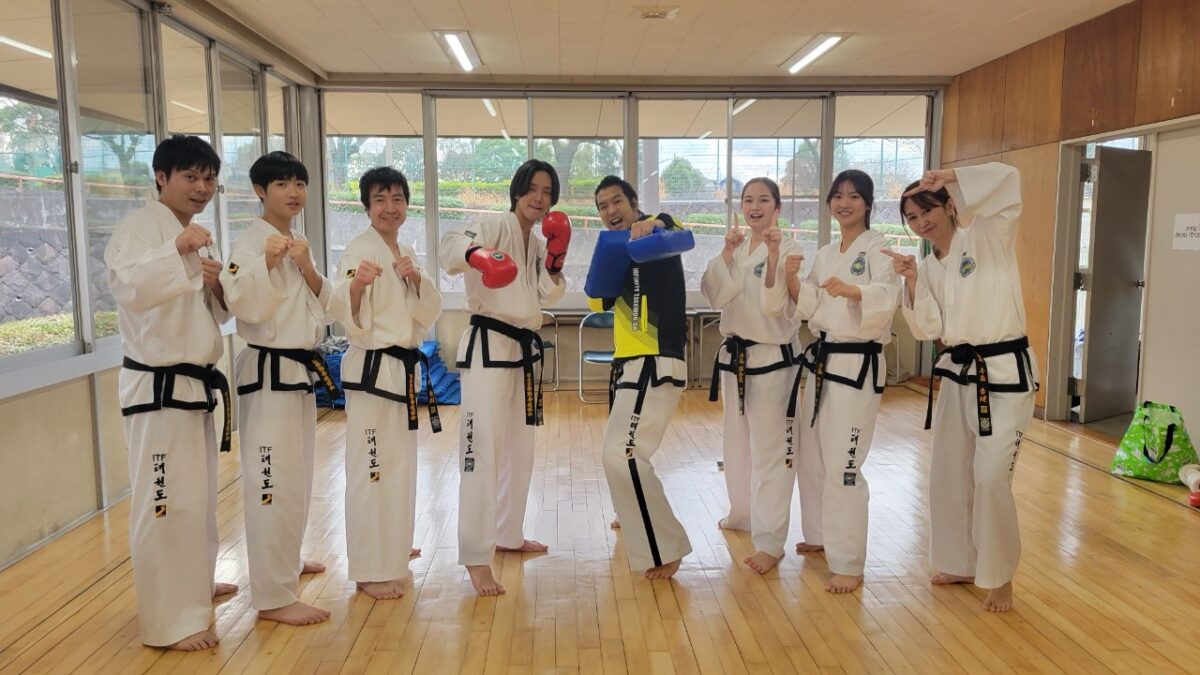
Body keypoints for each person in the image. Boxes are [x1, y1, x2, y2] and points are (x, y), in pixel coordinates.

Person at [105, 134, 237, 650]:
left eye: (209, 179)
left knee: (196, 500)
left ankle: (193, 585)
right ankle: (167, 621)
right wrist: (176, 251)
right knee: (163, 503)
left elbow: (213, 313)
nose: (201, 187)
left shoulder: (197, 235)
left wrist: (215, 284)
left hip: (193, 385)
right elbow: (125, 285)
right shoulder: (140, 228)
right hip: (157, 388)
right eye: (190, 177)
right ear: (161, 177)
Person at [885, 163, 1035, 612]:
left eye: (927, 211)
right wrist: (912, 282)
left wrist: (950, 175)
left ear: (950, 206)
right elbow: (929, 328)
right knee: (950, 473)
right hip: (957, 373)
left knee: (990, 478)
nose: (921, 223)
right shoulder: (928, 267)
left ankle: (999, 575)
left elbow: (1008, 182)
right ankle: (960, 561)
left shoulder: (987, 236)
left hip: (1003, 374)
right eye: (911, 218)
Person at [763, 169, 900, 593]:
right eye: (837, 196)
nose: (844, 203)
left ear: (868, 203)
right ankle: (821, 534)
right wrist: (791, 278)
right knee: (814, 455)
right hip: (823, 360)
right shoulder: (824, 253)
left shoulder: (879, 249)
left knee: (844, 463)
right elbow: (808, 305)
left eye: (854, 196)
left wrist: (854, 291)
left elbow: (887, 296)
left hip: (857, 364)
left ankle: (849, 562)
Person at [438, 159, 569, 596]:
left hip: (522, 348)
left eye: (547, 191)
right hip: (489, 346)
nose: (539, 198)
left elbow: (549, 293)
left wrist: (555, 260)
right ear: (517, 191)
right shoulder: (493, 225)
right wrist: (478, 255)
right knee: (481, 450)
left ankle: (508, 534)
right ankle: (476, 557)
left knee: (519, 449)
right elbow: (449, 247)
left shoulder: (537, 242)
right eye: (532, 188)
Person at [220, 151, 334, 625]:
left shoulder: (298, 242)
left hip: (297, 371)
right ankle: (272, 596)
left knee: (297, 477)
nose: (294, 192)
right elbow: (239, 304)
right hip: (268, 370)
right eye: (283, 184)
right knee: (270, 480)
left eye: (299, 184)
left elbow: (325, 308)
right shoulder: (250, 243)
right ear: (259, 191)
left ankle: (287, 560)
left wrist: (306, 266)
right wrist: (265, 264)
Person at [330, 167, 442, 599]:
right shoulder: (358, 250)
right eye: (380, 199)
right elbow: (342, 306)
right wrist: (357, 285)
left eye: (397, 199)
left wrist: (415, 278)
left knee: (399, 466)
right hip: (373, 370)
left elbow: (426, 308)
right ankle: (368, 567)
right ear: (366, 206)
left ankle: (392, 546)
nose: (390, 207)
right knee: (371, 469)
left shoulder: (404, 250)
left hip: (400, 369)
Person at [590, 175, 692, 579]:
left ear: (634, 203)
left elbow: (677, 229)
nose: (610, 210)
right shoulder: (613, 250)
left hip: (655, 359)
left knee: (624, 453)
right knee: (619, 452)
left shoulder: (659, 230)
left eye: (617, 201)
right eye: (602, 206)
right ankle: (634, 514)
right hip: (629, 363)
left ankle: (667, 547)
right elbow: (597, 299)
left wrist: (654, 224)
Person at [701, 177, 803, 574]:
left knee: (771, 452)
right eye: (748, 200)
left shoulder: (789, 248)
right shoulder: (738, 247)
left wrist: (774, 255)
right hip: (737, 358)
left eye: (763, 200)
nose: (754, 207)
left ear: (777, 207)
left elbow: (780, 305)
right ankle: (742, 513)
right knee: (737, 444)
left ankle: (771, 541)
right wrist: (726, 252)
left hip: (773, 359)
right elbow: (715, 294)